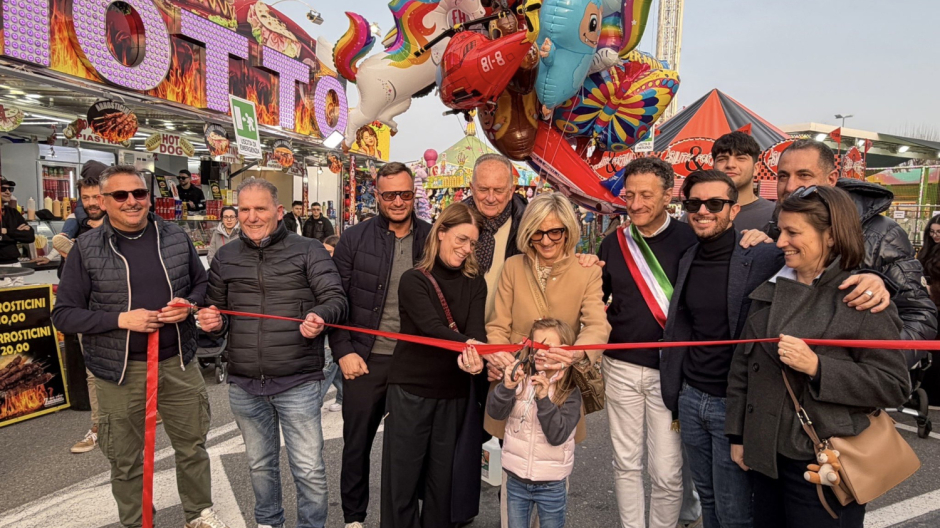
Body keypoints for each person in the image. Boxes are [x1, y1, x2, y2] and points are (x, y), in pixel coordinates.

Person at [51, 165, 228, 528]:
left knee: (192, 445)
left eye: (139, 193)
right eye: (121, 195)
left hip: (178, 362)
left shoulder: (175, 236)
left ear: (149, 198)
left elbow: (202, 284)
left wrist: (188, 304)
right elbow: (64, 315)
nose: (131, 201)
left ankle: (199, 514)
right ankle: (137, 522)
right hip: (119, 372)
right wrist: (120, 319)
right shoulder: (86, 249)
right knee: (125, 457)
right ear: (103, 202)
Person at [726, 185, 910, 527]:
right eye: (780, 230)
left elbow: (893, 385)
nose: (781, 242)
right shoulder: (769, 290)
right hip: (766, 457)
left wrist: (818, 366)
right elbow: (743, 369)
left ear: (831, 236)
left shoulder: (860, 298)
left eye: (793, 233)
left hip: (824, 463)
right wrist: (738, 436)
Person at [197, 178, 347, 528]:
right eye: (244, 209)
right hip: (245, 382)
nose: (251, 217)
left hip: (298, 381)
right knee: (260, 466)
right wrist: (212, 322)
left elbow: (336, 298)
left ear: (279, 212)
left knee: (308, 469)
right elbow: (217, 313)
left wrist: (320, 316)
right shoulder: (226, 256)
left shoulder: (308, 249)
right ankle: (268, 523)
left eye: (260, 209)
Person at [660, 170, 784, 528]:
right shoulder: (688, 256)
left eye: (715, 203)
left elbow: (816, 269)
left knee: (734, 510)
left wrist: (871, 279)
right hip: (690, 396)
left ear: (734, 209)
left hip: (732, 402)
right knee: (707, 497)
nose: (703, 211)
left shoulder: (763, 255)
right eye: (694, 203)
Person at [742, 139, 937, 343]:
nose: (790, 186)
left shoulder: (881, 233)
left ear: (832, 178)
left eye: (804, 175)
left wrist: (865, 358)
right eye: (783, 176)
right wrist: (759, 251)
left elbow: (920, 316)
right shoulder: (773, 229)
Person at [330, 162, 432, 528]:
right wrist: (343, 350)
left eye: (405, 194)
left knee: (414, 448)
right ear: (377, 196)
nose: (398, 202)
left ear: (414, 194)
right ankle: (353, 519)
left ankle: (409, 517)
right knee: (356, 444)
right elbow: (334, 300)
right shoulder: (354, 239)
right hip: (365, 359)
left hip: (415, 361)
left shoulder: (432, 238)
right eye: (390, 195)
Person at [595, 157, 695, 528]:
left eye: (646, 196)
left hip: (668, 372)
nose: (635, 204)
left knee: (667, 472)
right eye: (629, 195)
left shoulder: (690, 241)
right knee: (625, 464)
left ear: (668, 195)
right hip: (620, 367)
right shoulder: (613, 243)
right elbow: (597, 300)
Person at [380, 202, 487, 528]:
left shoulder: (475, 282)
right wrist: (473, 348)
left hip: (454, 393)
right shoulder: (413, 279)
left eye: (472, 243)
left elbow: (477, 330)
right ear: (441, 233)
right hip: (411, 390)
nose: (466, 249)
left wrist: (478, 358)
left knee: (443, 483)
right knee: (402, 480)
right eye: (461, 239)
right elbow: (431, 328)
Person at [483, 191, 610, 455]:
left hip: (560, 384)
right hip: (516, 379)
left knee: (555, 461)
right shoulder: (513, 266)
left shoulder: (587, 271)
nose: (546, 240)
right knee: (511, 459)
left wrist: (574, 354)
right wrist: (499, 358)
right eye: (537, 233)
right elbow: (498, 325)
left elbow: (597, 325)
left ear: (568, 230)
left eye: (555, 232)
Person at [486, 319, 582, 528]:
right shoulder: (520, 378)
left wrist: (544, 399)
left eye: (547, 347)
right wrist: (506, 387)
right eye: (535, 345)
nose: (539, 352)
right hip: (516, 480)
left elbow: (557, 435)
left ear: (564, 351)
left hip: (552, 484)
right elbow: (495, 412)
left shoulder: (569, 391)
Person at [61, 171, 109, 454]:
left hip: (117, 307)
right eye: (85, 197)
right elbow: (59, 243)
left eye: (96, 196)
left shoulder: (120, 223)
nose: (91, 202)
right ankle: (98, 427)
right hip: (86, 308)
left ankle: (152, 410)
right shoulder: (76, 222)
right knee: (94, 370)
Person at [712, 131, 776, 231]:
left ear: (756, 168)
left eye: (740, 158)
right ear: (713, 167)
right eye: (722, 159)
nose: (730, 165)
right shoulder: (697, 213)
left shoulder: (776, 215)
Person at [320, 234, 345, 413]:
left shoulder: (342, 270)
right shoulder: (321, 268)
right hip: (324, 321)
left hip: (337, 323)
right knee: (335, 366)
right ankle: (344, 396)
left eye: (328, 251)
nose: (324, 254)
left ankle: (314, 403)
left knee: (327, 364)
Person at [0, 176, 34, 265]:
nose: (8, 192)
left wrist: (6, 231)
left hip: (15, 263)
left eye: (10, 189)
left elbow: (30, 236)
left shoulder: (13, 212)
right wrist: (17, 233)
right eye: (3, 189)